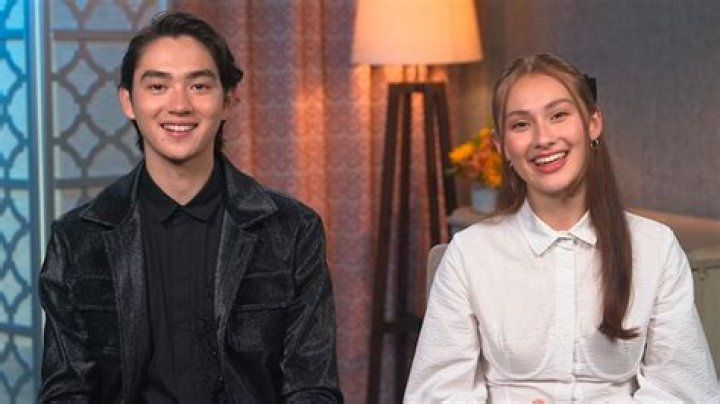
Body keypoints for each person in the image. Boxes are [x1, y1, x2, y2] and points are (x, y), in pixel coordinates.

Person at [38, 11, 342, 403]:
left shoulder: (292, 230)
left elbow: (312, 388)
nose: (179, 105)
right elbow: (66, 391)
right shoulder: (79, 238)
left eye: (199, 86)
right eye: (158, 86)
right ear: (128, 101)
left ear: (228, 100)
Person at [404, 54, 719, 402]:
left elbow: (685, 391)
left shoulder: (655, 247)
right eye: (521, 124)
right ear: (501, 146)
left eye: (558, 115)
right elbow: (435, 395)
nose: (543, 138)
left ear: (593, 123)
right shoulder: (470, 254)